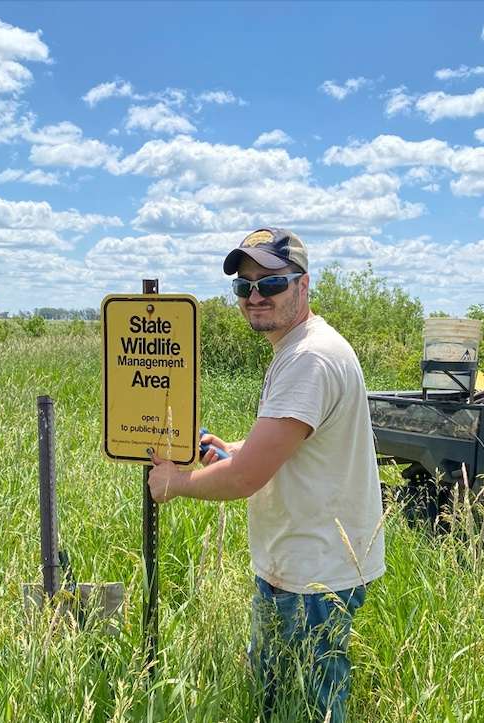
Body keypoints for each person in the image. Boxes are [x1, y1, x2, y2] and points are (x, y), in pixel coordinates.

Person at [147, 227, 386, 722]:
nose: (255, 296)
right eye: (244, 285)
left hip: (312, 573)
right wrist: (234, 448)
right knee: (278, 700)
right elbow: (293, 444)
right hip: (302, 563)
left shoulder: (309, 358)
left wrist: (176, 483)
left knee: (307, 708)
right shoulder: (300, 349)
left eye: (271, 283)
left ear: (303, 285)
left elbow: (245, 479)